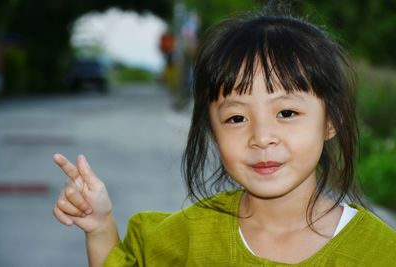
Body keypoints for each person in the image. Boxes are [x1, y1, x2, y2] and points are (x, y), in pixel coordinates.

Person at [52, 8, 396, 267]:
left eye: (287, 113)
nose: (261, 137)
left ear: (331, 121)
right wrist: (99, 227)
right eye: (236, 117)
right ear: (212, 132)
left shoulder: (378, 251)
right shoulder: (188, 236)